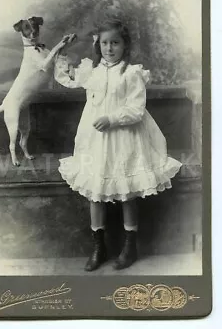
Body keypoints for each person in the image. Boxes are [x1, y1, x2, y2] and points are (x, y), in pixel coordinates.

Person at [52, 18, 182, 271]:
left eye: (115, 43)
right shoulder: (92, 71)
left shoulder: (131, 74)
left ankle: (130, 246)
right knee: (96, 193)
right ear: (97, 45)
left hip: (124, 138)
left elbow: (136, 110)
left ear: (125, 45)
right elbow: (67, 79)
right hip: (96, 141)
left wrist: (112, 118)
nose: (109, 48)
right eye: (104, 43)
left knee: (127, 192)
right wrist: (62, 53)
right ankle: (99, 247)